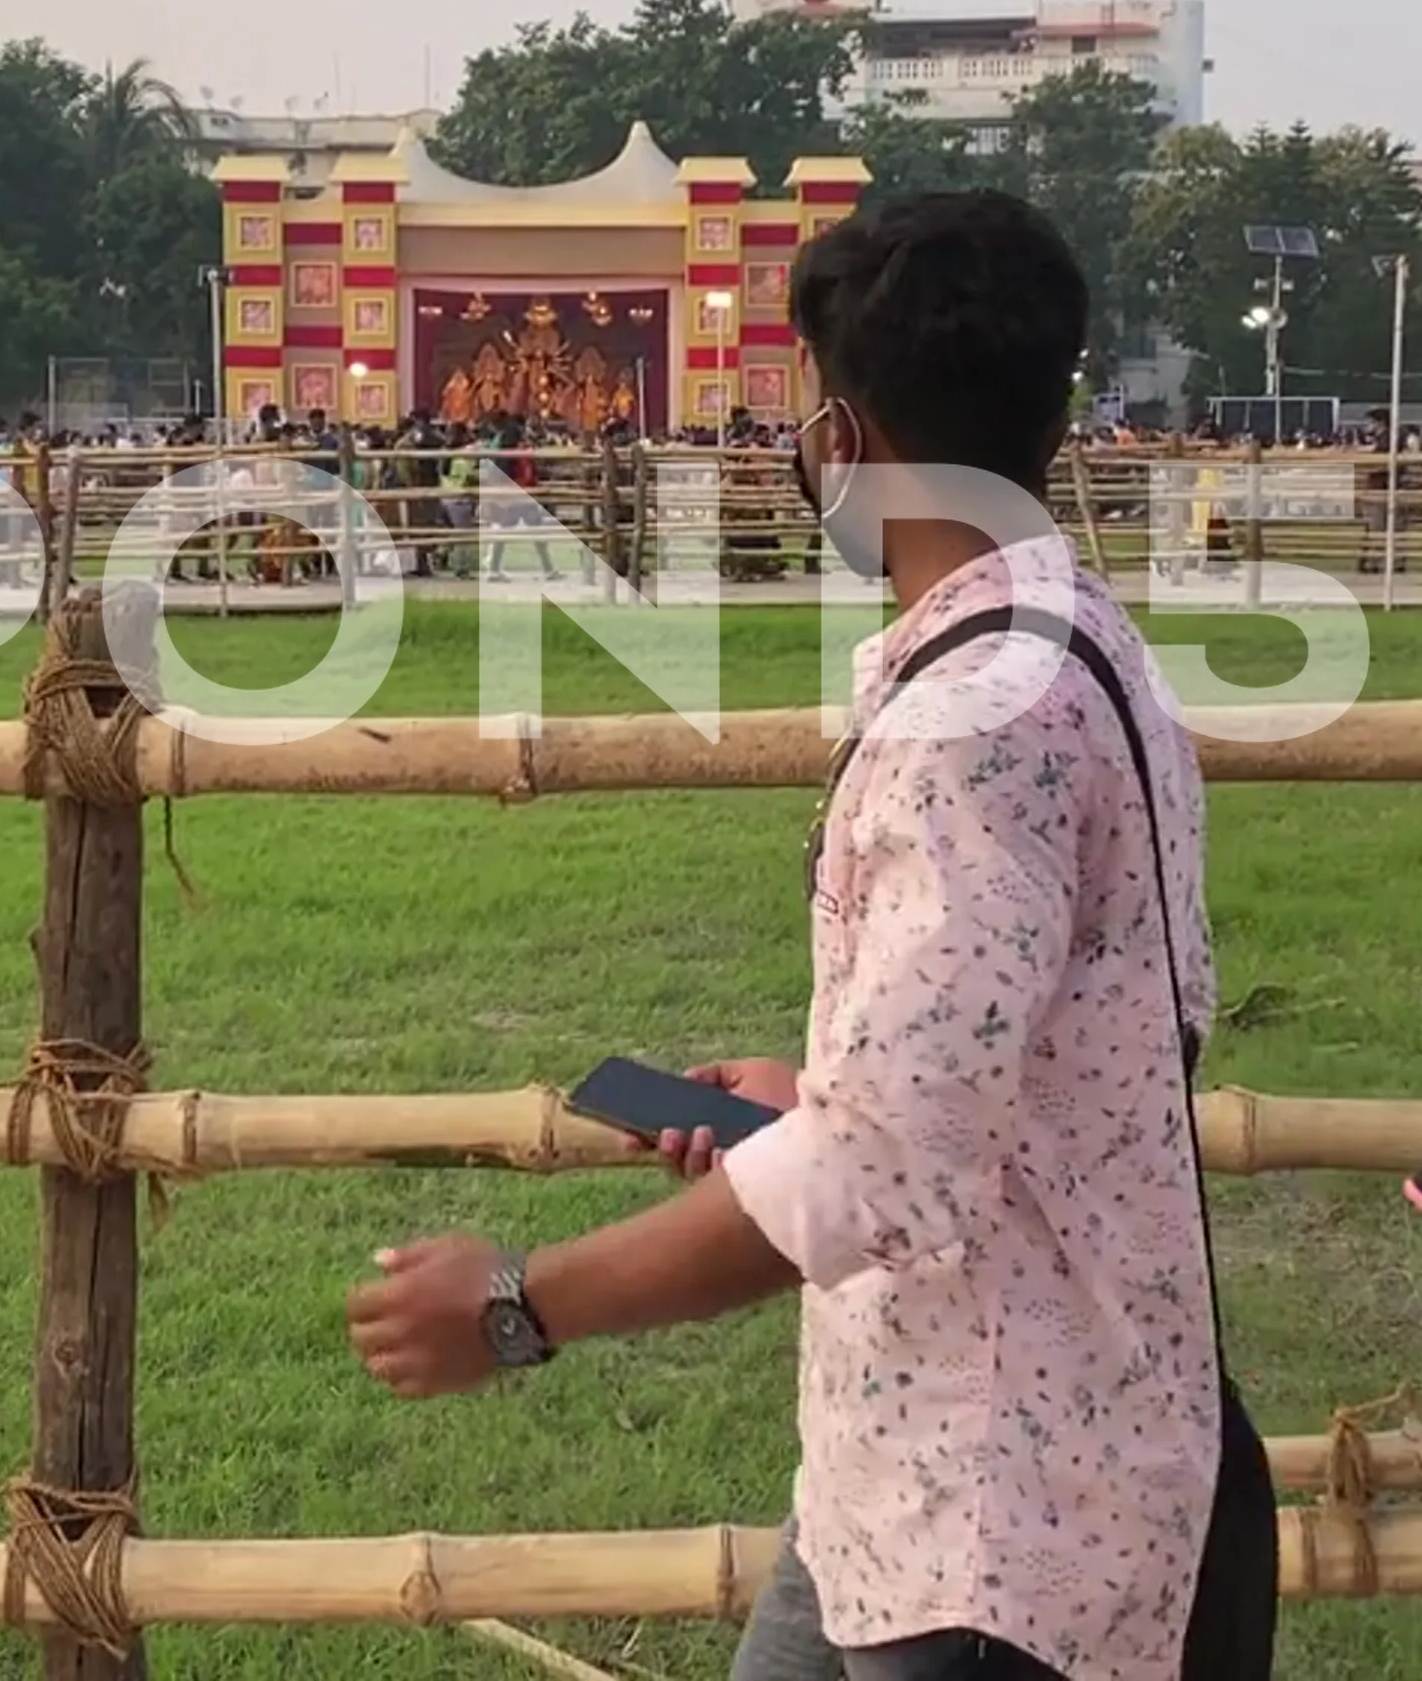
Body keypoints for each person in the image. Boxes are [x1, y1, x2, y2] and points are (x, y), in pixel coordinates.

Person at [345, 189, 1277, 1681]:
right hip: (927, 1462)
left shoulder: (973, 720)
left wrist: (520, 1309)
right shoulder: (1083, 645)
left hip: (995, 1518)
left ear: (841, 437)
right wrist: (825, 1093)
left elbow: (888, 1172)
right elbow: (1093, 1026)